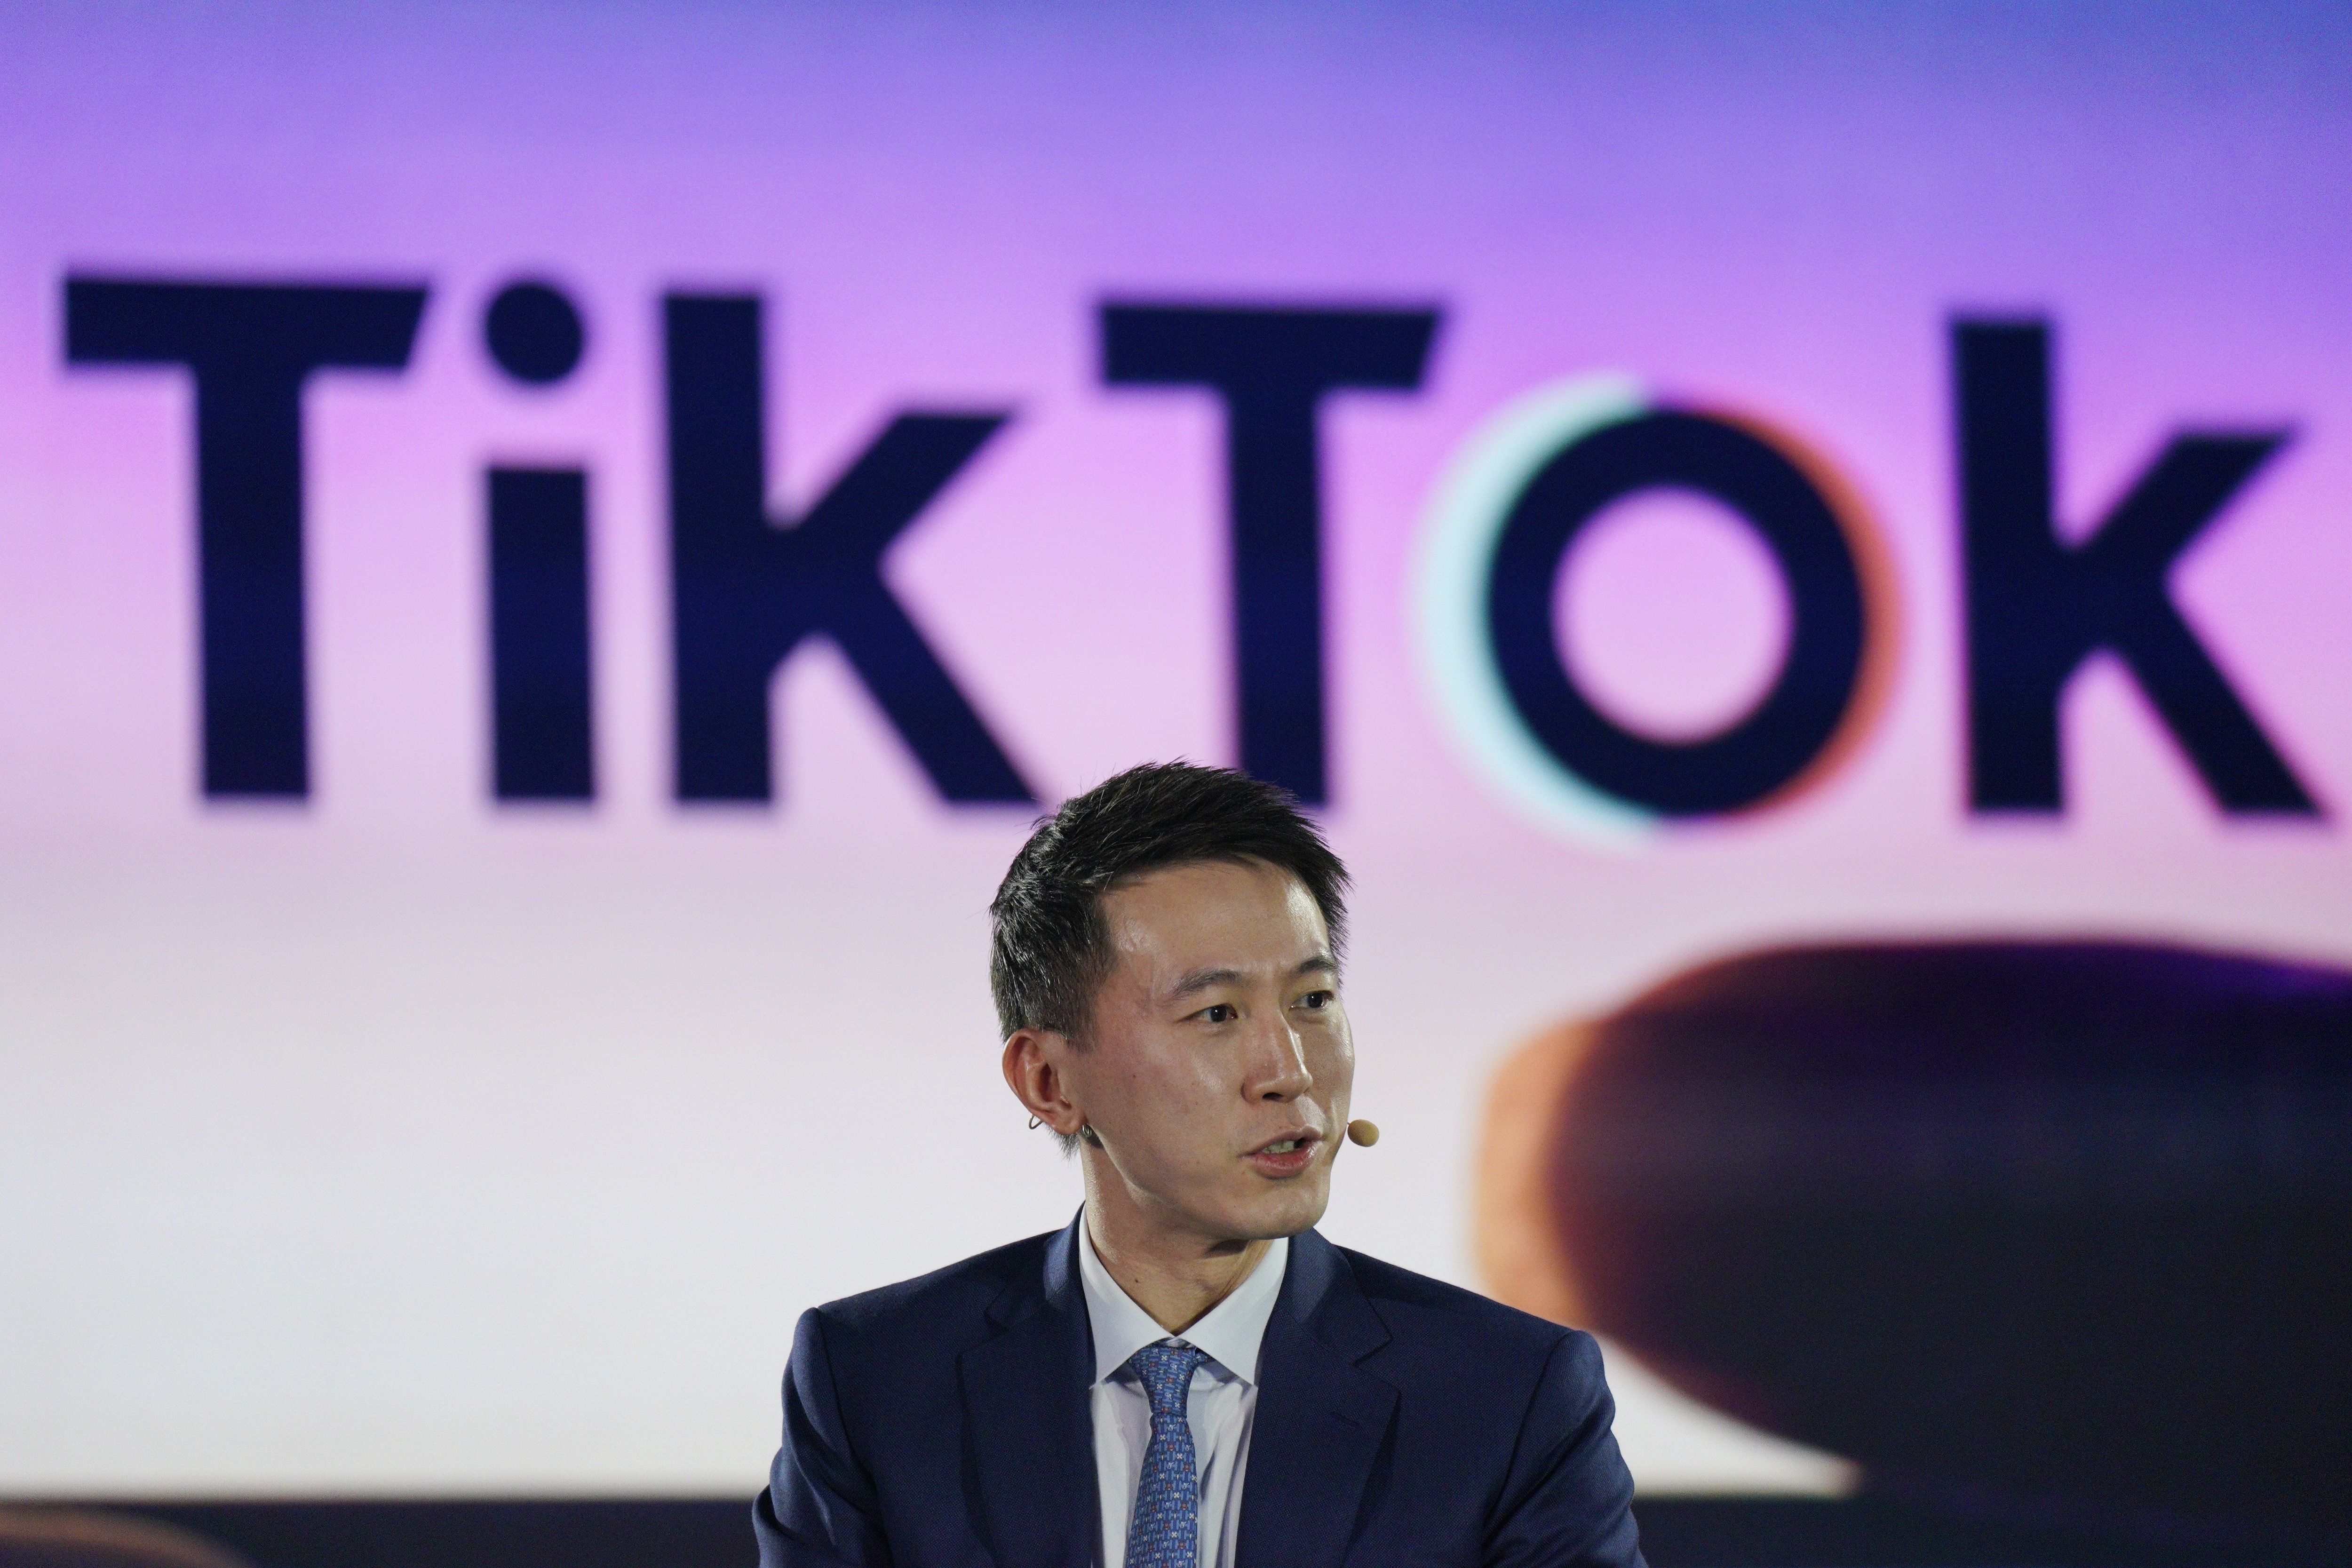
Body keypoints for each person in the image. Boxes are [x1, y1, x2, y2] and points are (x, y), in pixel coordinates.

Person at [755, 763, 1645, 1568]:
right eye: (1216, 1014)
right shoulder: (872, 1379)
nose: (1289, 1070)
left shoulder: (1510, 1397)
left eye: (1313, 999)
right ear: (1050, 1081)